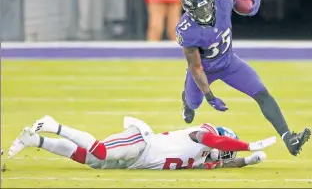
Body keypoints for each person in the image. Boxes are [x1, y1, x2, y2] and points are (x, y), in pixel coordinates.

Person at [176, 0, 311, 156]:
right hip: (205, 70)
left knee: (262, 94)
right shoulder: (186, 30)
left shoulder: (220, 1)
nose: (206, 11)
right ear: (190, 11)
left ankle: (288, 138)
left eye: (207, 5)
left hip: (229, 62)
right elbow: (196, 67)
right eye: (200, 10)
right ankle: (186, 100)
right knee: (193, 103)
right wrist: (210, 96)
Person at [8, 115, 274, 170]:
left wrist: (248, 161)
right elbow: (212, 139)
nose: (221, 157)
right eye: (223, 152)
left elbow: (229, 164)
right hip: (143, 143)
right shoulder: (203, 134)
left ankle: (37, 139)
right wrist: (248, 145)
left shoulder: (204, 161)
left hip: (137, 161)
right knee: (99, 151)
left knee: (86, 159)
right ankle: (53, 124)